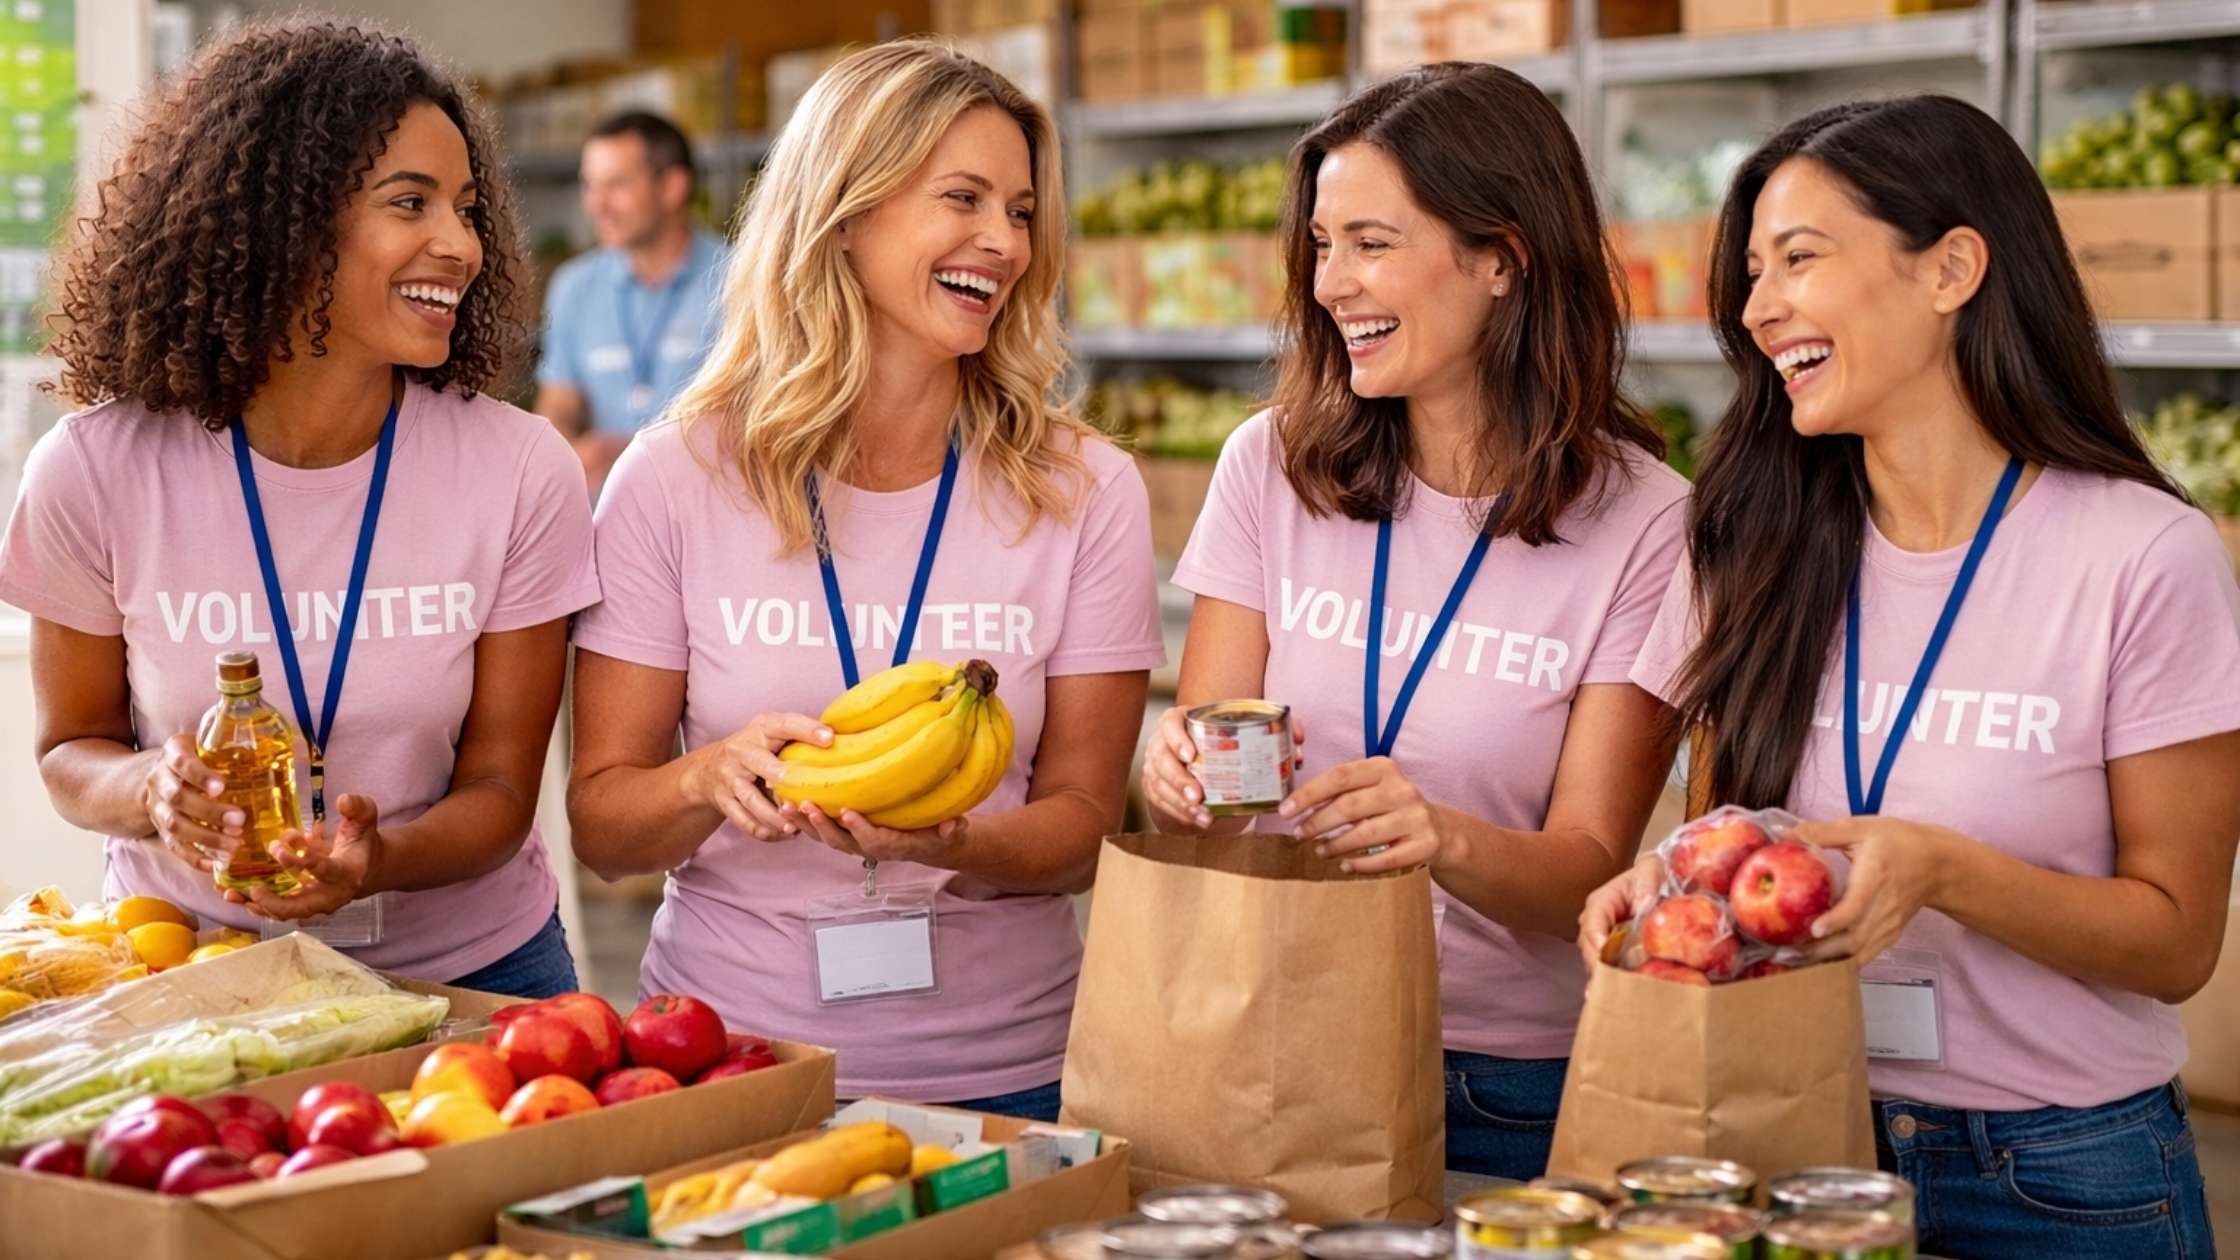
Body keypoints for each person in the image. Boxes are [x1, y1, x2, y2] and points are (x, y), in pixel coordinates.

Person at [1580, 95, 2238, 1257]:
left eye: (1797, 259)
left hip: (2058, 1176)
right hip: (1786, 1127)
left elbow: (2177, 941)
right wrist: (1664, 891)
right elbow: (1724, 837)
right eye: (1750, 272)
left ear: (1949, 271)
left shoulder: (2140, 554)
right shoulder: (1748, 540)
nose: (1755, 306)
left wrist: (1938, 869)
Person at [566, 39, 1162, 1122]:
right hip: (730, 1066)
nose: (1005, 241)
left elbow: (1080, 831)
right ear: (844, 212)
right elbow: (605, 829)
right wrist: (708, 780)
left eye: (1021, 211)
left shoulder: (1086, 491)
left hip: (1013, 1074)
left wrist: (954, 839)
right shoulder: (673, 478)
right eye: (964, 198)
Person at [1137, 63, 1688, 1181]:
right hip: (1272, 1032)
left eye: (1371, 243)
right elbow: (1213, 800)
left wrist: (1442, 837)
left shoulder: (1649, 523)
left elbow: (1588, 873)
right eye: (1322, 245)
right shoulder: (1271, 466)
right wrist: (1181, 779)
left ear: (1500, 257)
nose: (1331, 282)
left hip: (1506, 1081)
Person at [0, 21, 600, 998]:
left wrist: (377, 860)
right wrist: (150, 792)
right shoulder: (94, 469)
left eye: (467, 208)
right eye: (410, 203)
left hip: (478, 976)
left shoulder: (519, 468)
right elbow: (72, 750)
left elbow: (498, 793)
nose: (462, 245)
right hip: (192, 972)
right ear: (279, 219)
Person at [534, 111, 728, 494]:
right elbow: (557, 406)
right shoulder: (574, 287)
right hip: (604, 514)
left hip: (705, 512)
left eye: (616, 185)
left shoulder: (740, 281)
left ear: (672, 187)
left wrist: (629, 454)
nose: (595, 204)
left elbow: (760, 424)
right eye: (589, 186)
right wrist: (565, 454)